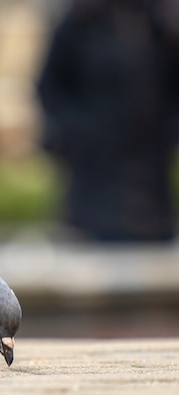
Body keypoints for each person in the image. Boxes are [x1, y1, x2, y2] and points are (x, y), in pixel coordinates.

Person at [37, 0, 179, 242]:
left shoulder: (159, 20)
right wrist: (78, 132)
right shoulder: (80, 21)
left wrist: (168, 132)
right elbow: (50, 87)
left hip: (150, 178)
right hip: (94, 172)